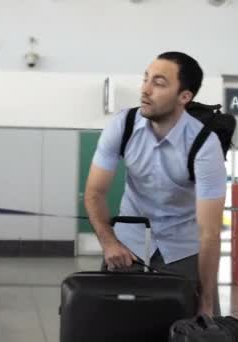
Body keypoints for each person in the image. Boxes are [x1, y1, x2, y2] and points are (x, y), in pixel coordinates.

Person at [84, 51, 226, 316]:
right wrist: (109, 243)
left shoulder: (205, 146)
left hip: (184, 251)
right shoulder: (122, 126)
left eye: (159, 83)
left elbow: (210, 232)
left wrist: (206, 301)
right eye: (146, 79)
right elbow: (95, 192)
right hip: (129, 247)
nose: (145, 90)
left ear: (185, 97)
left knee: (191, 330)